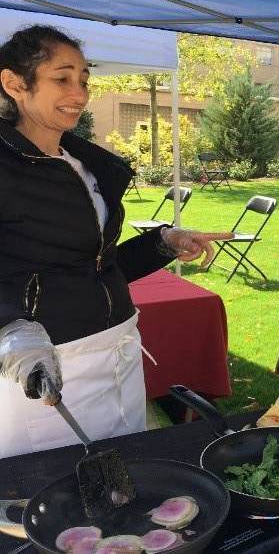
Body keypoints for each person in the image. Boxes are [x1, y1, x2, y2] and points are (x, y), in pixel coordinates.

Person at [0, 25, 228, 458]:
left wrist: (163, 241)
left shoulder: (82, 165)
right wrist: (12, 330)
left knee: (129, 483)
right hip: (45, 363)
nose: (79, 93)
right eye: (62, 78)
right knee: (54, 495)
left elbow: (97, 265)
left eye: (84, 79)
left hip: (118, 351)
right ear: (14, 84)